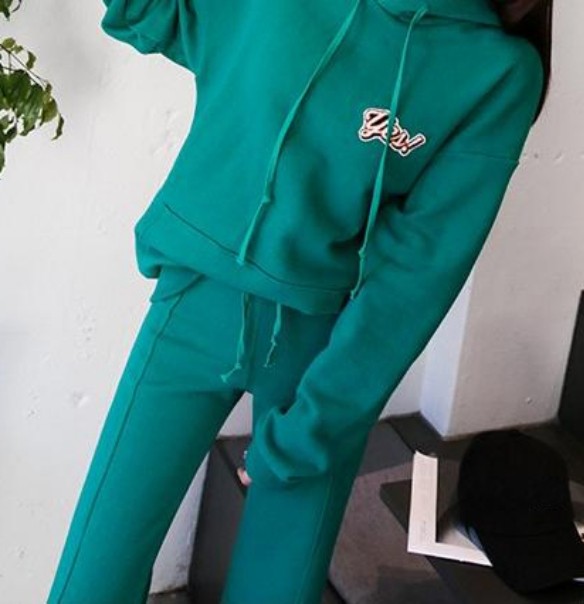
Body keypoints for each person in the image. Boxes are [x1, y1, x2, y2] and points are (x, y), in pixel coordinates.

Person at [46, 0, 553, 602]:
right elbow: (155, 13)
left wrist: (317, 427)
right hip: (194, 305)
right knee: (93, 576)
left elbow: (419, 275)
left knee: (278, 588)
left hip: (326, 351)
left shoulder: (499, 72)